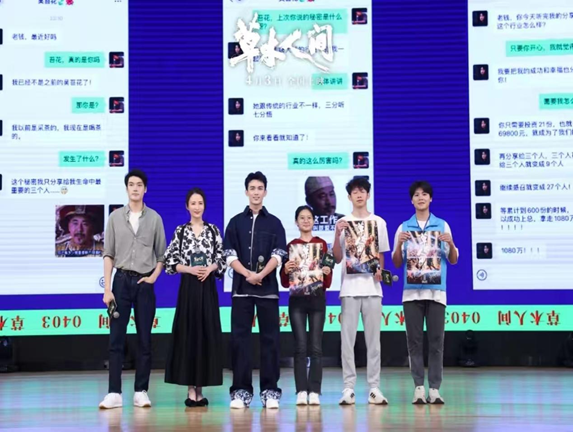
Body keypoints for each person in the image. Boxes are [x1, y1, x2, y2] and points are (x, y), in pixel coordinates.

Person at [99, 169, 167, 409]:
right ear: (126, 188)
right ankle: (114, 393)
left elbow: (162, 255)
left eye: (139, 184)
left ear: (145, 189)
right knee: (116, 339)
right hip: (120, 282)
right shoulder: (115, 218)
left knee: (145, 339)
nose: (135, 188)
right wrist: (107, 289)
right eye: (131, 184)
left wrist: (153, 277)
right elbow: (108, 254)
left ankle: (141, 390)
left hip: (144, 284)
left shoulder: (155, 218)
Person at [223, 172, 287, 409]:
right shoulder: (235, 222)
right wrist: (248, 274)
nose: (256, 192)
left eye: (260, 188)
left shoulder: (275, 223)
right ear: (246, 192)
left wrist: (260, 275)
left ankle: (270, 391)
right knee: (240, 341)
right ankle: (241, 391)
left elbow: (279, 255)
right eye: (252, 188)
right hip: (242, 290)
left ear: (265, 192)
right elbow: (229, 255)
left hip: (267, 290)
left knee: (270, 341)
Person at [391, 181, 459, 405]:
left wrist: (452, 244)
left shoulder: (442, 225)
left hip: (436, 293)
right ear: (411, 200)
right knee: (414, 342)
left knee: (437, 342)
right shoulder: (404, 228)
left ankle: (435, 389)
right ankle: (419, 387)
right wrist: (398, 245)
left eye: (425, 194)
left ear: (431, 199)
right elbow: (397, 262)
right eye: (416, 195)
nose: (421, 198)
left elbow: (453, 259)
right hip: (411, 294)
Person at [163, 188, 225, 407]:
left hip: (207, 287)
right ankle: (191, 389)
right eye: (193, 203)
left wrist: (210, 268)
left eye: (200, 203)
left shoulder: (213, 230)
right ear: (187, 206)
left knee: (206, 335)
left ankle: (201, 388)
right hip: (189, 288)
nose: (197, 207)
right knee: (189, 335)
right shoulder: (180, 231)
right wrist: (189, 269)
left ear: (204, 206)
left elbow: (222, 259)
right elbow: (170, 262)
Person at [332, 177, 390, 405]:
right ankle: (348, 388)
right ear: (349, 197)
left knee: (374, 342)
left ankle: (374, 387)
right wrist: (336, 233)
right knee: (347, 342)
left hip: (373, 289)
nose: (359, 195)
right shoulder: (343, 222)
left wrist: (379, 271)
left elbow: (381, 254)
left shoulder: (379, 222)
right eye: (355, 192)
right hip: (349, 289)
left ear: (368, 195)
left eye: (362, 191)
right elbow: (337, 258)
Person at [280, 205, 333, 406]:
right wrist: (285, 269)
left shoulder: (321, 245)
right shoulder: (291, 246)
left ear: (314, 221)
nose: (305, 221)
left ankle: (315, 391)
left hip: (318, 300)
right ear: (296, 222)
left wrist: (326, 272)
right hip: (297, 302)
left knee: (316, 347)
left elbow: (327, 282)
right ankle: (301, 390)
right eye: (301, 218)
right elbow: (285, 282)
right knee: (300, 347)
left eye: (309, 217)